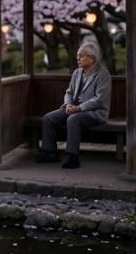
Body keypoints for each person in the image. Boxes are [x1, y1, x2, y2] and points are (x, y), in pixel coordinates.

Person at [35, 42, 111, 170]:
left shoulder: (103, 74)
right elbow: (69, 92)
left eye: (81, 56)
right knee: (48, 118)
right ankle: (49, 152)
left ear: (92, 58)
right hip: (74, 108)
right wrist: (69, 104)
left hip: (94, 112)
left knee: (73, 119)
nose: (78, 58)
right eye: (77, 56)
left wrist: (79, 108)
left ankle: (72, 157)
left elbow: (99, 99)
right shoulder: (77, 72)